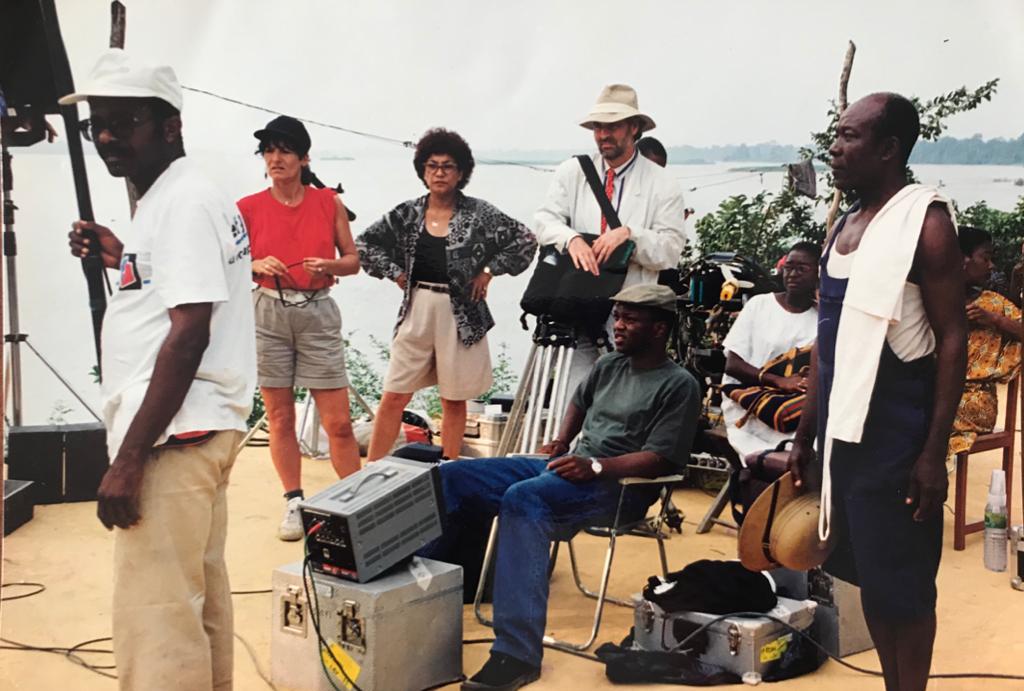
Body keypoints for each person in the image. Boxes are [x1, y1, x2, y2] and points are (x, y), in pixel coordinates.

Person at [63, 49, 256, 691]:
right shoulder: (175, 195)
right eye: (97, 125)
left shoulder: (183, 202)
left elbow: (189, 333)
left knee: (157, 621)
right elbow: (177, 287)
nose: (106, 138)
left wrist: (129, 458)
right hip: (198, 429)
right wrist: (125, 255)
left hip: (172, 439)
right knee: (196, 602)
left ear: (171, 125)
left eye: (124, 122)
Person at [422, 284, 701, 691]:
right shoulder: (610, 365)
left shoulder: (679, 384)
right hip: (570, 468)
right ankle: (413, 595)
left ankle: (516, 655)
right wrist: (561, 441)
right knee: (452, 476)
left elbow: (661, 458)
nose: (618, 326)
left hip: (619, 488)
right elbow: (579, 402)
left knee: (524, 498)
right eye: (617, 316)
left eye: (630, 319)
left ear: (659, 329)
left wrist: (596, 466)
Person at [788, 93, 966, 691]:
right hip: (845, 436)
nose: (834, 149)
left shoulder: (926, 223)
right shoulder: (843, 225)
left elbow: (953, 340)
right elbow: (828, 342)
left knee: (906, 591)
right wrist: (806, 433)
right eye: (836, 136)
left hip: (898, 436)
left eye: (849, 137)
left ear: (889, 149)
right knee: (872, 579)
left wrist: (933, 453)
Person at [357, 128, 536, 460]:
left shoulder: (480, 213)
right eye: (432, 166)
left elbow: (524, 240)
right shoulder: (407, 213)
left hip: (462, 312)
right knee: (394, 394)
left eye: (447, 166)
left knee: (453, 400)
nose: (439, 173)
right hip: (417, 308)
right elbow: (365, 244)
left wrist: (489, 270)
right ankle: (373, 470)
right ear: (423, 171)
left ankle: (448, 470)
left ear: (461, 172)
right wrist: (396, 273)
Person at [237, 115, 361, 541]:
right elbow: (228, 263)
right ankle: (293, 501)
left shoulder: (328, 201)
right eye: (269, 151)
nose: (276, 158)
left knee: (338, 423)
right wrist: (255, 263)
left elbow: (353, 260)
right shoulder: (247, 207)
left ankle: (354, 505)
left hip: (317, 312)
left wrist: (329, 265)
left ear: (304, 158)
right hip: (267, 312)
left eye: (285, 151)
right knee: (279, 416)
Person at [534, 84, 686, 396]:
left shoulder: (662, 182)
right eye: (598, 127)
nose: (603, 135)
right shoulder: (573, 171)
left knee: (625, 397)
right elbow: (545, 221)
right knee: (572, 395)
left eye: (613, 126)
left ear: (634, 128)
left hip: (630, 307)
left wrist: (629, 235)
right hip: (577, 299)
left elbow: (670, 250)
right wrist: (572, 239)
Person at [721, 241, 820, 458]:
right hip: (749, 406)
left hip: (793, 412)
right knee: (768, 460)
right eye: (788, 267)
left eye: (801, 269)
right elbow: (732, 366)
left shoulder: (822, 318)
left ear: (818, 273)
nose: (792, 274)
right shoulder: (760, 305)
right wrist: (779, 381)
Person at [948, 226, 1021, 455]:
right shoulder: (933, 299)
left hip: (975, 400)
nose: (991, 266)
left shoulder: (993, 303)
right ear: (962, 259)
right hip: (938, 392)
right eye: (985, 258)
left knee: (923, 415)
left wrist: (994, 320)